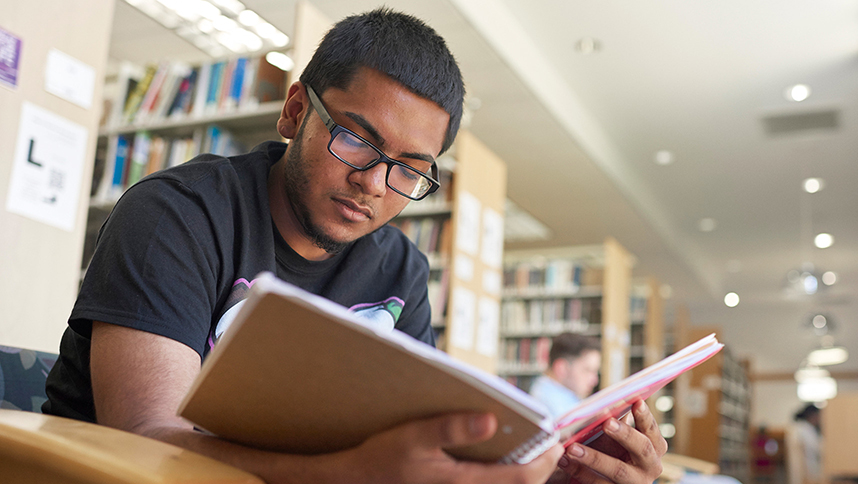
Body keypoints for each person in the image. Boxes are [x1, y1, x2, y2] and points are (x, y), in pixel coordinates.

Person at [42, 8, 666, 484]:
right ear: (294, 113)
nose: (372, 182)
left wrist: (561, 470)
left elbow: (408, 452)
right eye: (356, 139)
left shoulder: (401, 269)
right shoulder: (176, 214)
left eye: (408, 169)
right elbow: (147, 437)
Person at [530, 333, 602, 417]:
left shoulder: (564, 399)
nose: (595, 381)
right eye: (587, 370)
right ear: (562, 368)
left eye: (595, 372)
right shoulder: (554, 407)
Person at [786, 404, 822, 484]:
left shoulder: (798, 427)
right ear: (813, 415)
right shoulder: (805, 429)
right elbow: (817, 448)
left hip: (801, 470)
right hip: (808, 469)